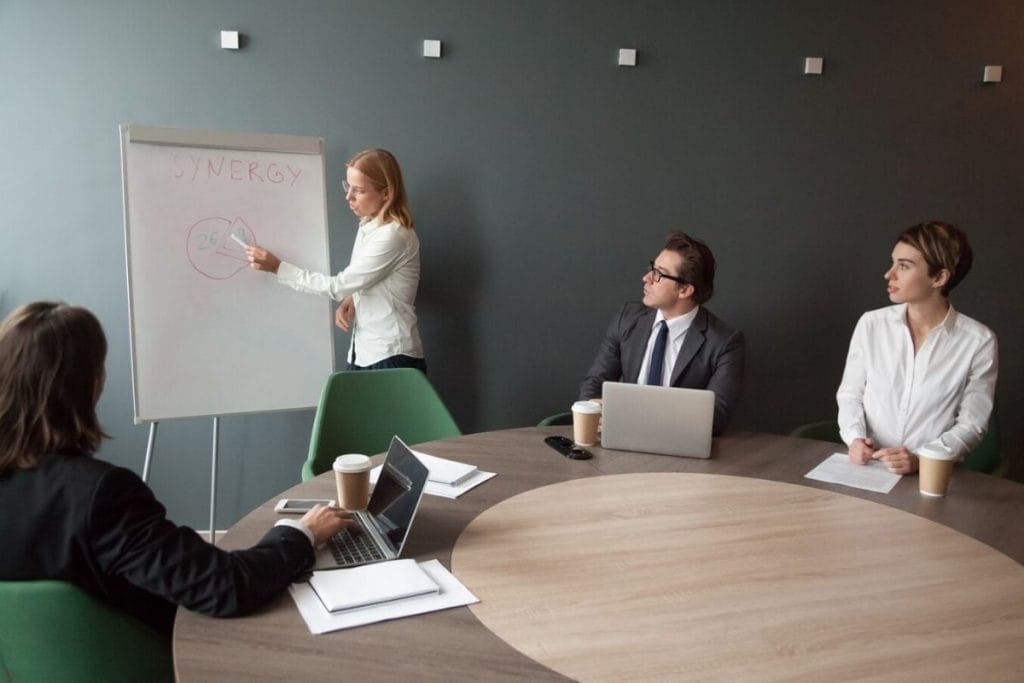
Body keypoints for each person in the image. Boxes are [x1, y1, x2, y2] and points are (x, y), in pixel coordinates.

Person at [0, 302, 352, 637]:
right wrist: (301, 533)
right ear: (91, 383)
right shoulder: (99, 496)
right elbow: (226, 586)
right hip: (148, 660)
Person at [837, 222, 998, 474]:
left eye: (904, 266)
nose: (889, 274)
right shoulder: (871, 324)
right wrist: (855, 438)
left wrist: (922, 460)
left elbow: (972, 424)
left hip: (931, 477)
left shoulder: (978, 341)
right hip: (868, 469)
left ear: (939, 278)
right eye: (893, 263)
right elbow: (850, 394)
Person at [246, 148, 426, 371]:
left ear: (386, 194)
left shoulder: (393, 235)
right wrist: (353, 298)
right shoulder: (368, 226)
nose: (348, 197)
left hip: (391, 354)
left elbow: (337, 286)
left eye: (359, 190)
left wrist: (278, 268)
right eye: (347, 186)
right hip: (364, 352)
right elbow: (370, 279)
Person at [579, 231, 745, 435]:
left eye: (658, 273)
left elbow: (716, 417)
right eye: (652, 268)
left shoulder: (725, 342)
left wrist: (634, 417)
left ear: (685, 290)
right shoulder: (627, 318)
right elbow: (594, 383)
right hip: (620, 440)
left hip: (680, 447)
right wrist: (594, 409)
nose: (646, 278)